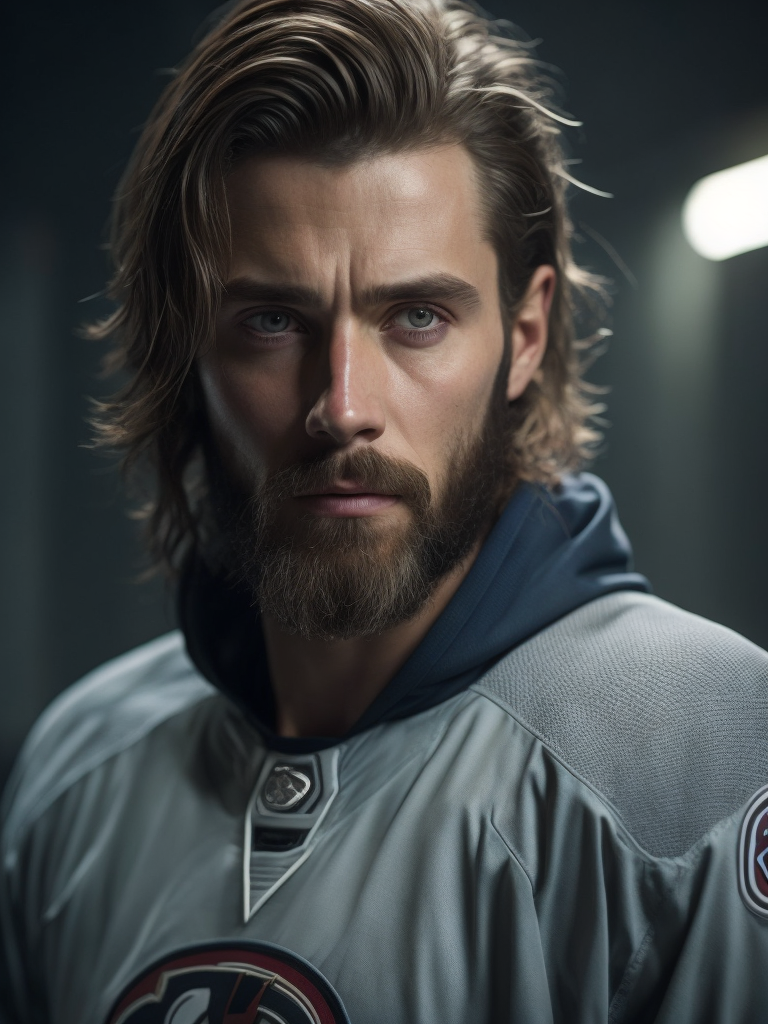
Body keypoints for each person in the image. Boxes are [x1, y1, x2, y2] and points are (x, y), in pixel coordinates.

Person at [2, 0, 767, 1020]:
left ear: (526, 333)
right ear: (186, 346)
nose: (344, 406)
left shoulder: (710, 751)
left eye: (417, 316)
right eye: (272, 320)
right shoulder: (76, 771)